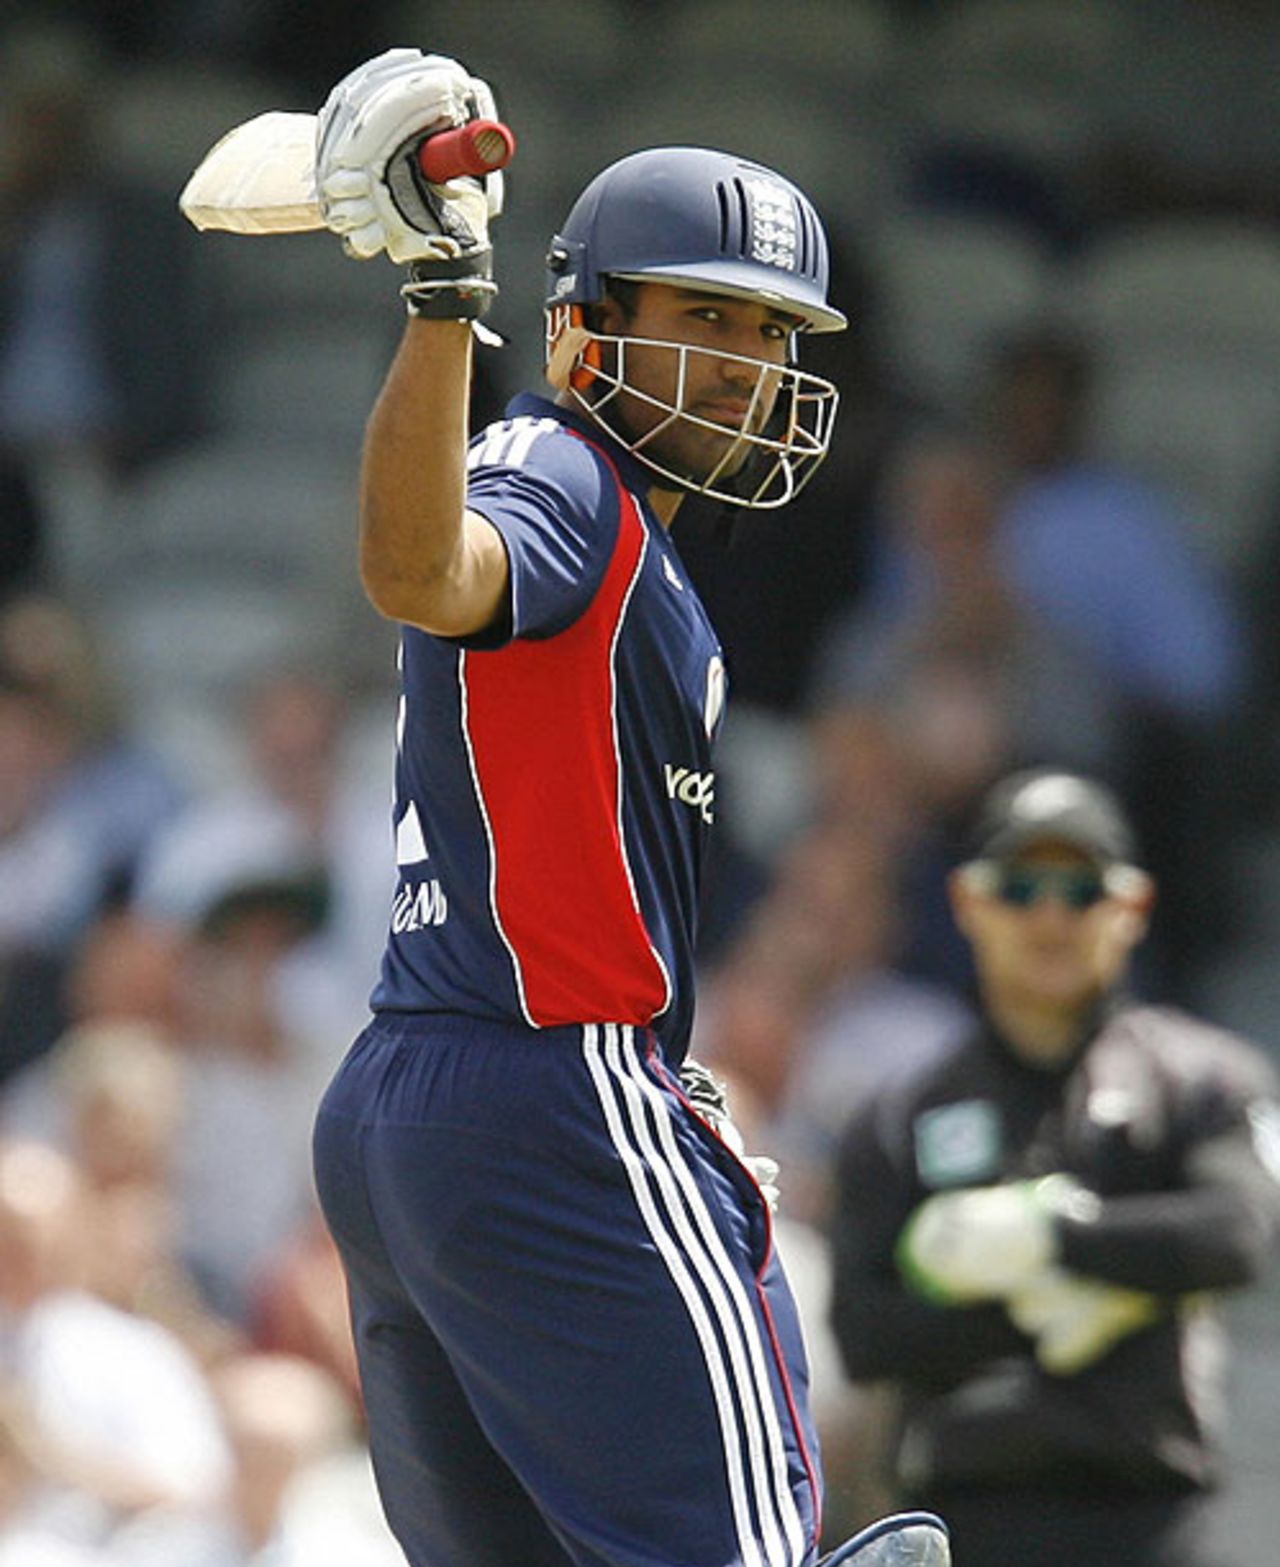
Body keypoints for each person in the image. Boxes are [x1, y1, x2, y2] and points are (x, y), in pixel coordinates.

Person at [300, 46, 949, 1567]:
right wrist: (442, 304)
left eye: (770, 331)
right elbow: (419, 569)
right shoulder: (568, 477)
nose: (744, 362)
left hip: (420, 1104)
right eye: (703, 316)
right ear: (581, 327)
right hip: (549, 1088)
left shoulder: (624, 535)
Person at [826, 766, 1280, 1567]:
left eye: (1081, 890)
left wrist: (1049, 1234)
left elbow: (1235, 1235)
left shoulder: (1201, 1078)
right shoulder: (901, 1113)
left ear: (1132, 906)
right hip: (962, 1517)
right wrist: (1068, 1296)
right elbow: (862, 1329)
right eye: (1020, 886)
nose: (1050, 916)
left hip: (1153, 1517)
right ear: (968, 901)